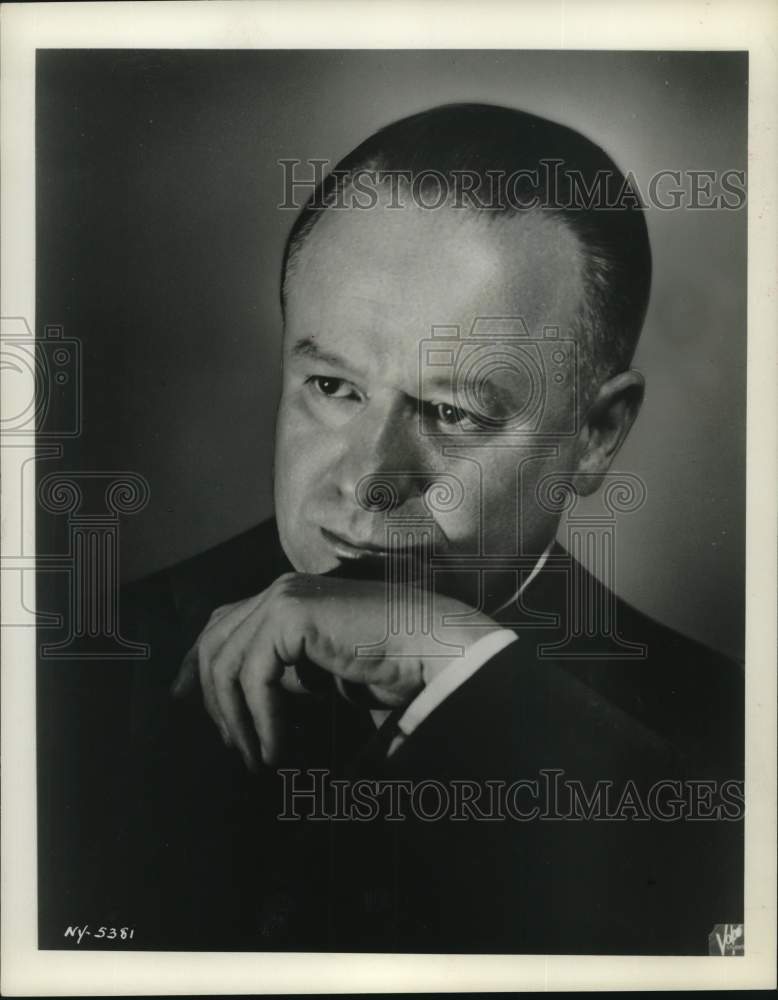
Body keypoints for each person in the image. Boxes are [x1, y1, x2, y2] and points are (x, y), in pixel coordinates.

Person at [58, 104, 744, 954]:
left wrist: (478, 681)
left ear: (597, 434)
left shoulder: (732, 751)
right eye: (332, 387)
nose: (368, 477)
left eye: (453, 412)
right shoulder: (66, 685)